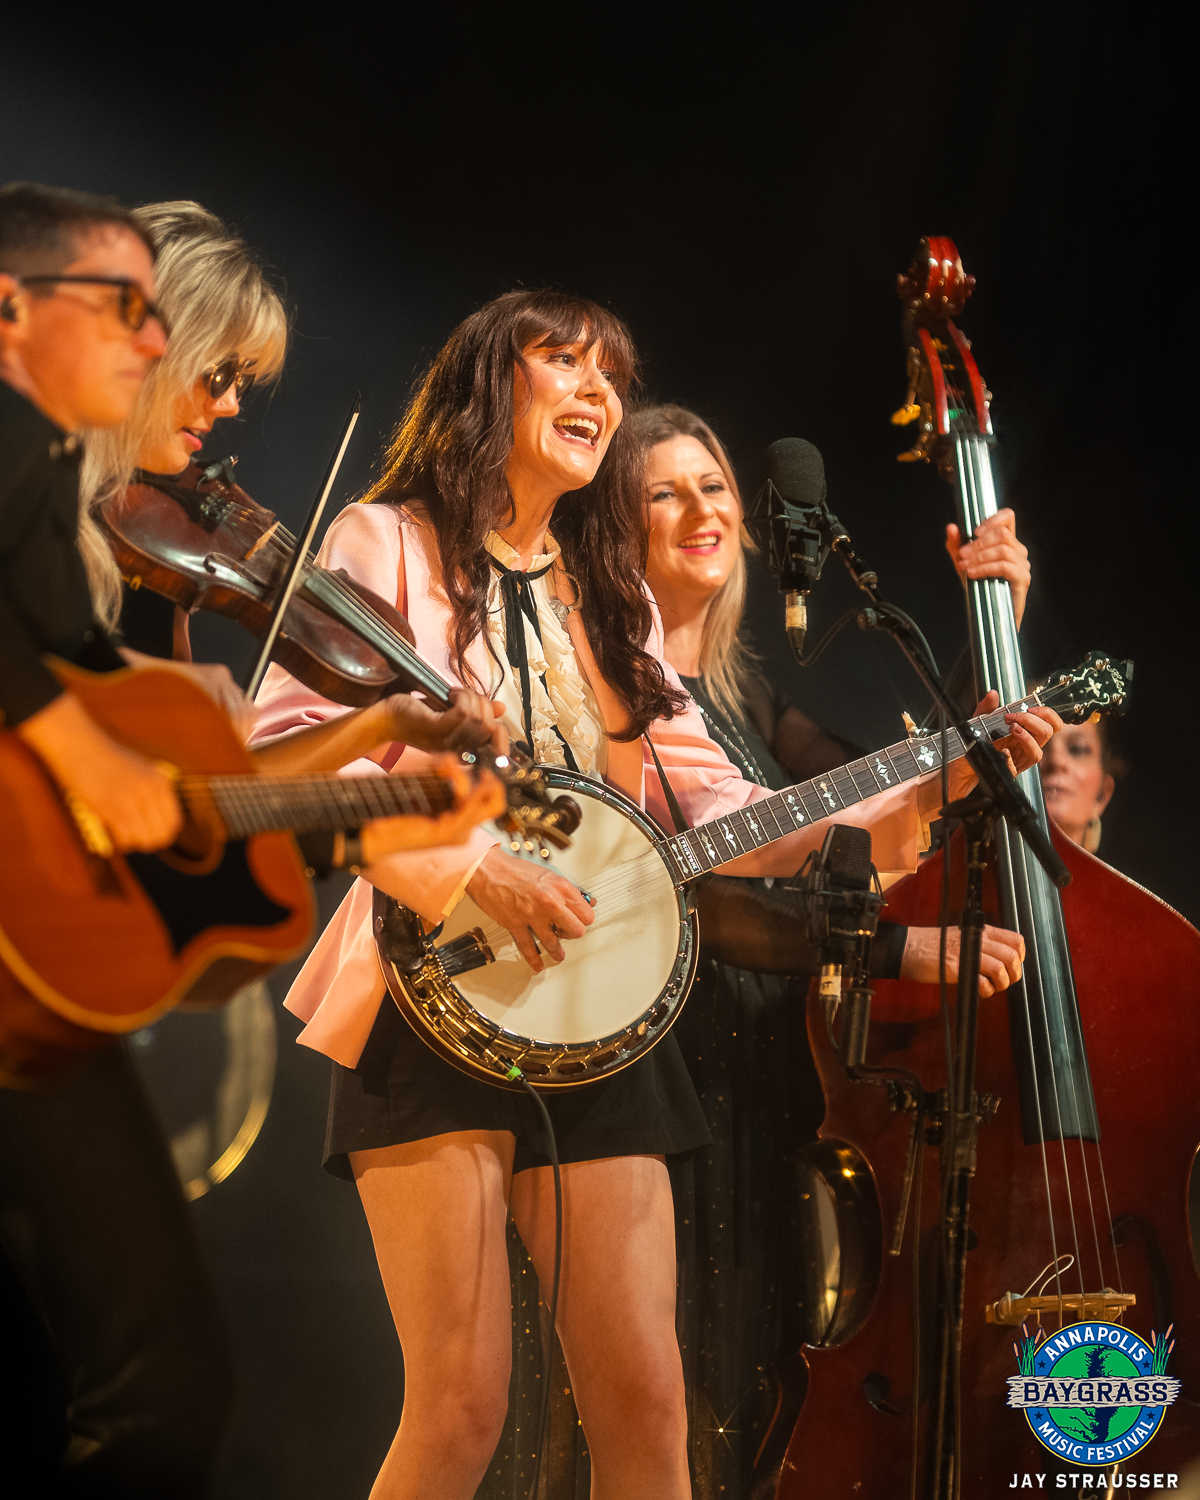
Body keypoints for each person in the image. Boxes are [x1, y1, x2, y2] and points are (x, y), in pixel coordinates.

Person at [250, 290, 1057, 1500]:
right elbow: (294, 743)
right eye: (561, 362)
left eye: (611, 375)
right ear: (487, 384)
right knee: (462, 1408)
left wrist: (941, 776)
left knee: (649, 1407)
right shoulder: (386, 541)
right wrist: (474, 868)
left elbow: (731, 819)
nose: (595, 393)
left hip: (598, 1015)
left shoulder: (604, 594)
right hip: (433, 998)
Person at [0, 184, 501, 1499]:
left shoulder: (139, 579)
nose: (221, 417)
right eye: (218, 372)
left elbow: (194, 801)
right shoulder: (42, 501)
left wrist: (377, 753)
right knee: (151, 1384)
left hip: (40, 996)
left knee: (141, 1383)